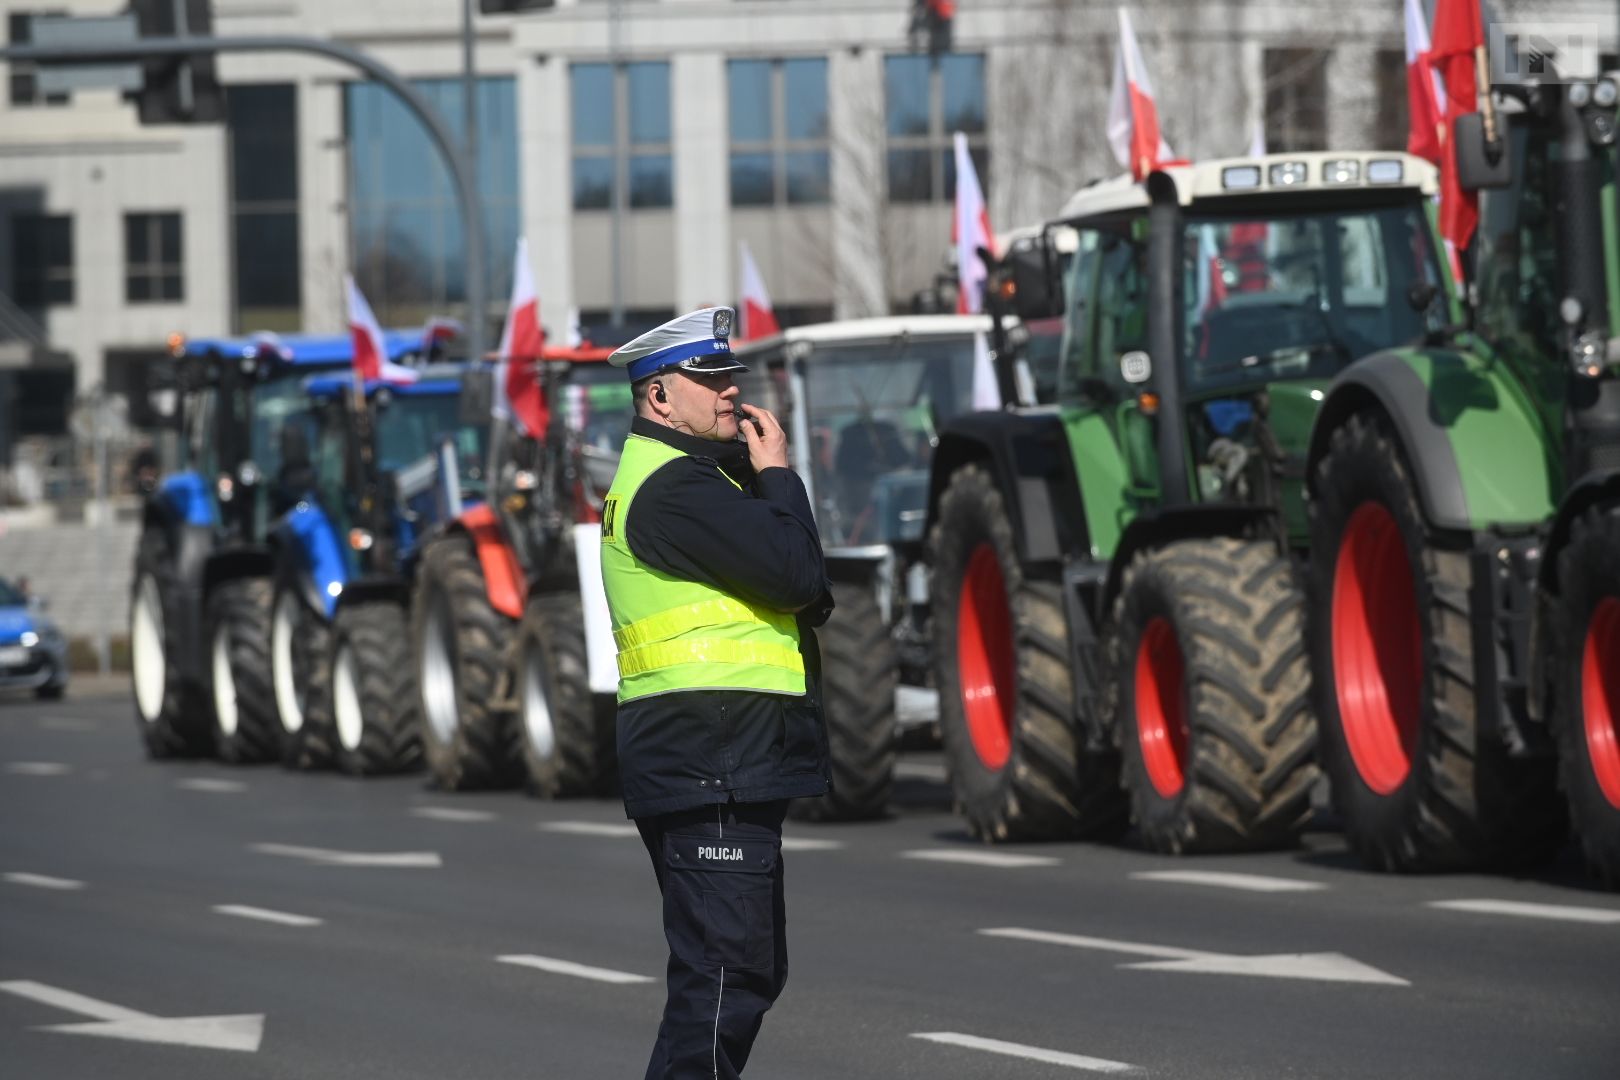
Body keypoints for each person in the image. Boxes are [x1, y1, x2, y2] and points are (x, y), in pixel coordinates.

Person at [600, 306, 833, 1080]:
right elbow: (799, 577)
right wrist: (779, 477)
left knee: (737, 973)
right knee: (726, 978)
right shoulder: (677, 488)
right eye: (711, 380)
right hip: (712, 758)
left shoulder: (688, 477)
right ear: (660, 397)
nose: (731, 390)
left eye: (731, 375)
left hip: (713, 756)